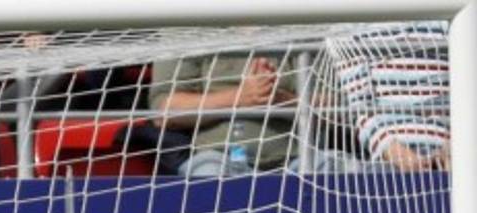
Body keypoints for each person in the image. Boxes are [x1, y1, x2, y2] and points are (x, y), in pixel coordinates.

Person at [149, 52, 301, 176]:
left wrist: (278, 99)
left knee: (324, 168)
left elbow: (324, 102)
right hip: (218, 159)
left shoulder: (308, 20)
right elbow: (163, 110)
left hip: (300, 160)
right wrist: (240, 97)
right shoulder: (183, 22)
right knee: (206, 178)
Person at [326, 22, 450, 172]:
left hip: (457, 152)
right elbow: (359, 111)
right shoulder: (348, 27)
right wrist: (393, 151)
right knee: (309, 166)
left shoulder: (448, 20)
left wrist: (454, 145)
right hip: (389, 161)